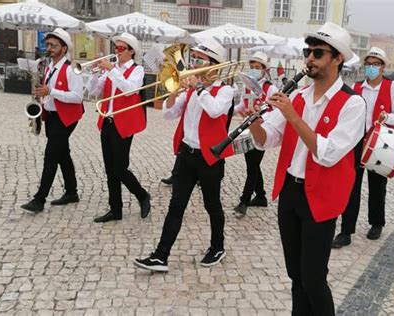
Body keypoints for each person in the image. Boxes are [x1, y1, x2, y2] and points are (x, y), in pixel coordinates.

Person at [246, 22, 365, 315]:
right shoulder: (298, 96)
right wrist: (256, 122)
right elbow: (268, 140)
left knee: (313, 279)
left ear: (337, 59)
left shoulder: (353, 104)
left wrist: (293, 116)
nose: (309, 58)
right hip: (290, 192)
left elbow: (327, 153)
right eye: (307, 51)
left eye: (318, 53)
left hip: (321, 198)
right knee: (295, 275)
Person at [133, 40, 234, 272]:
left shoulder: (226, 90)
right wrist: (172, 92)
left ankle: (217, 247)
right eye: (195, 59)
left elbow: (215, 110)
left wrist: (198, 88)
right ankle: (160, 255)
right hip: (186, 155)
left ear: (215, 66)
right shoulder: (190, 90)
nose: (195, 64)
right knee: (175, 206)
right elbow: (169, 114)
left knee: (212, 206)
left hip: (210, 158)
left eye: (200, 60)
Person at [332, 47, 394, 249]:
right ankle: (346, 231)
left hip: (380, 141)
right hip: (357, 141)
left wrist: (387, 118)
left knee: (377, 185)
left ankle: (376, 222)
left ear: (383, 67)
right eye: (369, 64)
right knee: (351, 186)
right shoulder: (356, 87)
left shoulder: (393, 87)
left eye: (376, 64)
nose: (372, 68)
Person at [87, 33, 151, 223]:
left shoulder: (137, 70)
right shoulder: (111, 70)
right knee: (109, 169)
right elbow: (93, 91)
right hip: (107, 121)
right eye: (115, 47)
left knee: (120, 168)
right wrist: (95, 73)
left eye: (121, 48)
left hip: (124, 124)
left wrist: (112, 70)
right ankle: (116, 209)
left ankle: (142, 196)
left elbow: (130, 89)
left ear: (131, 51)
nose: (117, 51)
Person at [21, 28, 84, 213]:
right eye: (48, 44)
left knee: (51, 156)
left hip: (66, 118)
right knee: (63, 154)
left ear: (64, 49)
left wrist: (51, 92)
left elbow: (77, 97)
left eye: (53, 45)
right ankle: (71, 192)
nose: (49, 48)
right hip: (52, 116)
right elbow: (48, 92)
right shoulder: (49, 66)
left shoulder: (72, 69)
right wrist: (41, 103)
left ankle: (39, 199)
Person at [233, 51, 278, 218]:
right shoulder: (247, 85)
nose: (253, 70)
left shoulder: (270, 88)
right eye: (251, 67)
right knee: (252, 164)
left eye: (257, 67)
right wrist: (233, 111)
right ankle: (260, 196)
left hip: (261, 130)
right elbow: (242, 104)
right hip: (247, 128)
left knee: (252, 165)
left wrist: (259, 118)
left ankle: (244, 201)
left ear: (264, 69)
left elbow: (274, 110)